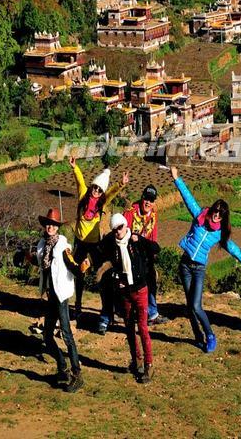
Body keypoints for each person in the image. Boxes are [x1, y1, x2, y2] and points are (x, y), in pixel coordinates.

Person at [169, 166, 241, 353]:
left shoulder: (220, 233)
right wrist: (177, 179)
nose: (217, 214)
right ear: (212, 209)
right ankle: (198, 337)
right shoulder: (199, 216)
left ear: (224, 217)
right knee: (189, 306)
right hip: (185, 265)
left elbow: (231, 247)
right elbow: (188, 197)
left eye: (221, 213)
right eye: (216, 210)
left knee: (196, 306)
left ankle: (210, 335)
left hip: (198, 269)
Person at [27, 207, 89, 393]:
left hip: (61, 294)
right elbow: (40, 263)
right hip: (50, 295)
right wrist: (27, 257)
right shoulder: (41, 245)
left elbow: (72, 265)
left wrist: (81, 268)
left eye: (53, 225)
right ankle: (63, 368)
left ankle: (77, 374)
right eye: (48, 224)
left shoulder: (63, 246)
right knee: (47, 335)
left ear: (57, 227)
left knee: (66, 334)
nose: (50, 227)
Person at [97, 213, 160, 383]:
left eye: (120, 227)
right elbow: (105, 258)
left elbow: (156, 249)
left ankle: (149, 365)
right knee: (129, 328)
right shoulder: (112, 245)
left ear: (126, 225)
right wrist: (116, 279)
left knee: (143, 328)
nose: (118, 231)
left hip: (140, 290)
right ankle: (136, 361)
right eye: (115, 229)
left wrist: (141, 239)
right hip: (125, 292)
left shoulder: (135, 241)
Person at [68, 156, 128, 324]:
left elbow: (111, 192)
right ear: (92, 186)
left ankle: (106, 311)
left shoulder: (102, 202)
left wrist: (121, 184)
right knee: (79, 273)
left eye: (100, 190)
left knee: (101, 273)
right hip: (80, 242)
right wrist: (75, 167)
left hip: (95, 244)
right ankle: (78, 306)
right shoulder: (83, 195)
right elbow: (80, 181)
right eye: (95, 188)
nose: (96, 191)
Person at [123, 185, 168, 326]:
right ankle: (128, 312)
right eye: (146, 199)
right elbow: (122, 234)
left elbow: (153, 236)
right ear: (142, 198)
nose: (148, 202)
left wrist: (152, 254)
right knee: (132, 284)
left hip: (146, 255)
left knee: (151, 283)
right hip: (130, 254)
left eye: (151, 200)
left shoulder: (154, 214)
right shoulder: (130, 212)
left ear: (154, 202)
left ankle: (152, 313)